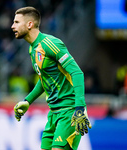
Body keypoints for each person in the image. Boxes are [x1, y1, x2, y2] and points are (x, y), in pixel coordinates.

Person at [11, 6, 91, 150]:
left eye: (16, 22)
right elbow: (44, 80)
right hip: (53, 114)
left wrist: (80, 107)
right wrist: (27, 101)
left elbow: (77, 73)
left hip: (69, 112)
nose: (12, 26)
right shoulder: (32, 49)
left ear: (29, 24)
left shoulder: (51, 44)